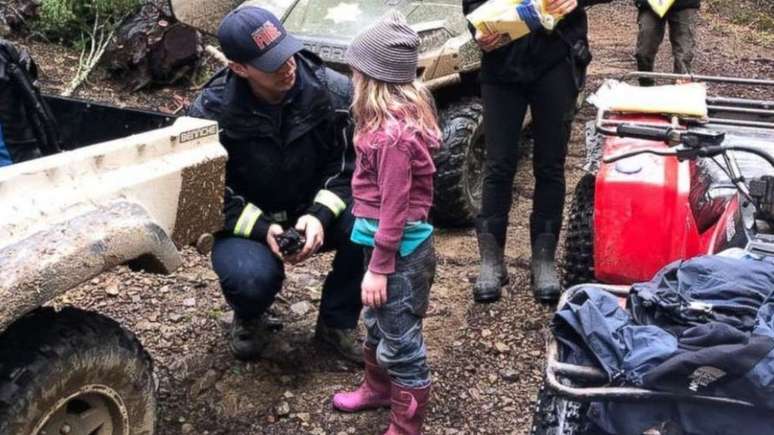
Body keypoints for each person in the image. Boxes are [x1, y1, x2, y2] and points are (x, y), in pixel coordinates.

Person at [188, 7, 364, 363]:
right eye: (272, 63)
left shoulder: (334, 91)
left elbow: (349, 166)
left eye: (288, 53)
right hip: (248, 221)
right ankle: (250, 314)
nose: (288, 67)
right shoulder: (209, 113)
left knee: (370, 228)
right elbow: (202, 193)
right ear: (239, 68)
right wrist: (263, 228)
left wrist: (319, 215)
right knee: (249, 279)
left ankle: (337, 322)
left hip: (311, 207)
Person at [330, 11, 440, 435]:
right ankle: (376, 388)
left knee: (400, 336)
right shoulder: (381, 128)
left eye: (354, 72)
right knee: (376, 322)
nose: (350, 79)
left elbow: (394, 210)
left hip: (398, 253)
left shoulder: (392, 140)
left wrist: (379, 266)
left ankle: (406, 425)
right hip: (379, 243)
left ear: (371, 79)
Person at [463, 0, 610, 304]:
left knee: (550, 164)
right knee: (498, 163)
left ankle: (543, 260)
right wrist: (477, 30)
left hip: (555, 59)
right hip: (502, 61)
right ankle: (491, 260)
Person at [635, 0, 699, 85]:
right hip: (650, 4)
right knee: (644, 52)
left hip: (684, 5)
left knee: (684, 56)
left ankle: (680, 92)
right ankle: (646, 88)